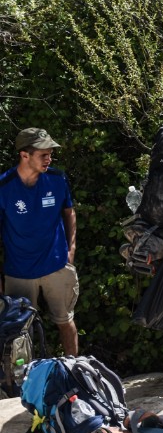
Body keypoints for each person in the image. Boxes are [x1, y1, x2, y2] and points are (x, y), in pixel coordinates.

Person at [0, 128, 79, 355]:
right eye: (43, 154)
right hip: (19, 270)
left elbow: (69, 212)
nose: (49, 159)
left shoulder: (57, 179)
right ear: (25, 155)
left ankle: (74, 371)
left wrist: (71, 249)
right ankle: (23, 382)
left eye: (50, 154)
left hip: (56, 264)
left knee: (65, 321)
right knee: (19, 330)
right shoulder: (4, 186)